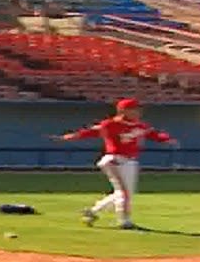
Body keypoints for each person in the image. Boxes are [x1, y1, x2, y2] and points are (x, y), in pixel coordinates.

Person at [59, 98, 178, 229]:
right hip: (114, 159)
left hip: (130, 161)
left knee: (124, 192)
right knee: (124, 193)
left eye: (138, 109)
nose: (138, 112)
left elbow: (154, 134)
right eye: (134, 109)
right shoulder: (110, 124)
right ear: (123, 110)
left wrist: (167, 139)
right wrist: (74, 136)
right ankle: (124, 221)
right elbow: (92, 131)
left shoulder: (140, 125)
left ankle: (92, 211)